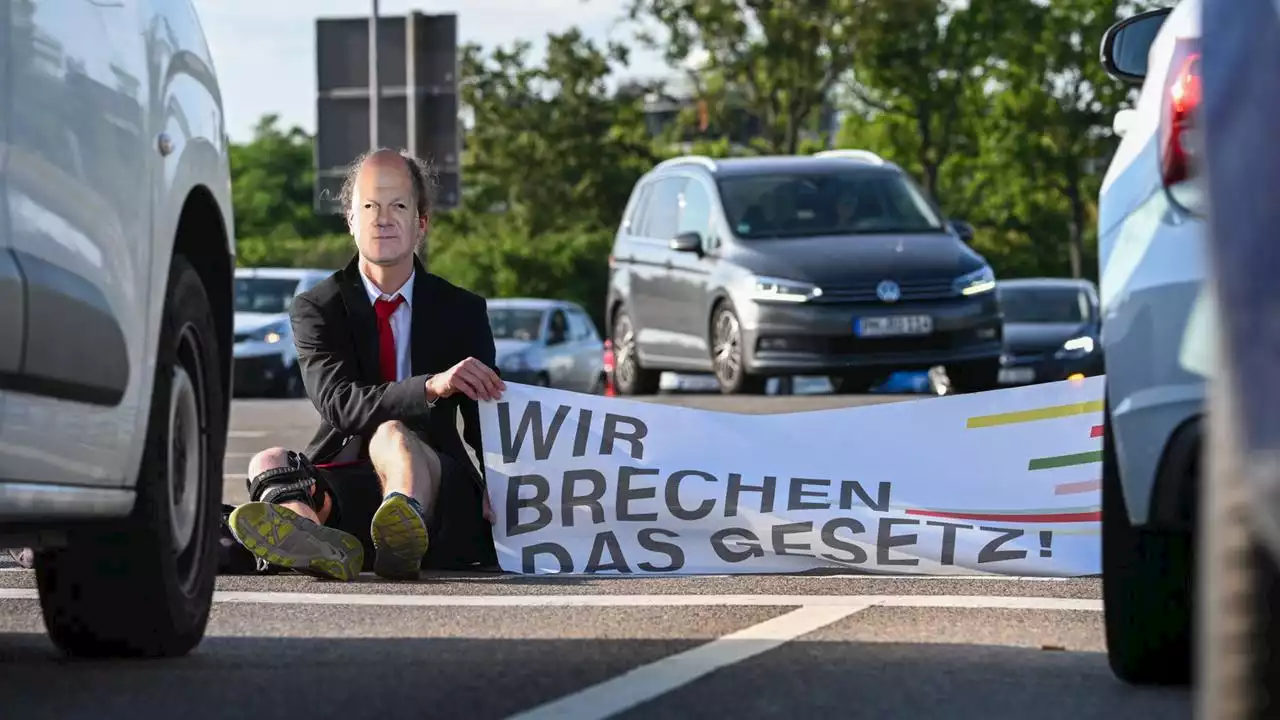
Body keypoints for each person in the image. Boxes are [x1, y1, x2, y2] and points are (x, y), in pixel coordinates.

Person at [226, 148, 506, 582]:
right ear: (351, 221)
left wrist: (502, 483)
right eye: (370, 206)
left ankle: (403, 530)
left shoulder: (462, 309)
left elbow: (485, 414)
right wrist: (431, 386)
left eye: (398, 205)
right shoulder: (316, 307)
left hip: (436, 486)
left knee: (394, 435)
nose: (383, 217)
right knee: (268, 460)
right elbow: (339, 404)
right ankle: (314, 539)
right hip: (349, 478)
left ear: (421, 223)